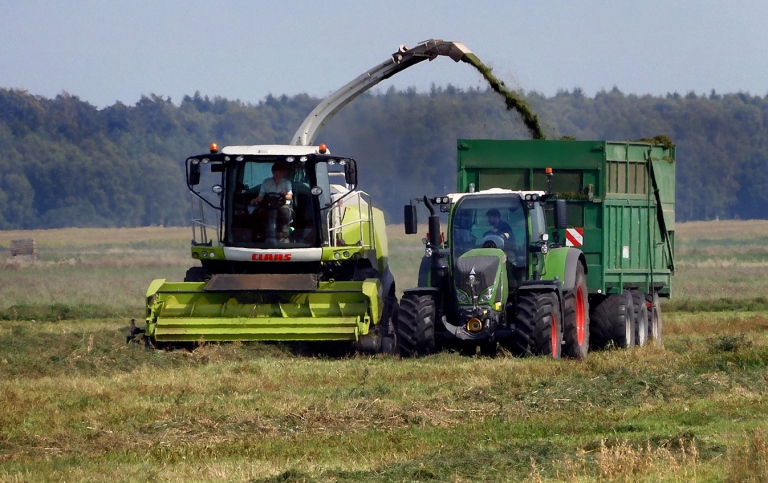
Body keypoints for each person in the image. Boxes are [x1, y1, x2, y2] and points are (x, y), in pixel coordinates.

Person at [250, 163, 293, 242]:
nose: (278, 175)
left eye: (280, 173)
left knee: (285, 213)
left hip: (282, 205)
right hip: (268, 205)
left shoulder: (287, 183)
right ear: (272, 172)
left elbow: (289, 196)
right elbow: (261, 196)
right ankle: (261, 233)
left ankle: (283, 233)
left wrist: (284, 195)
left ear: (283, 173)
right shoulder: (266, 182)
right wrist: (255, 200)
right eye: (276, 173)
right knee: (257, 213)